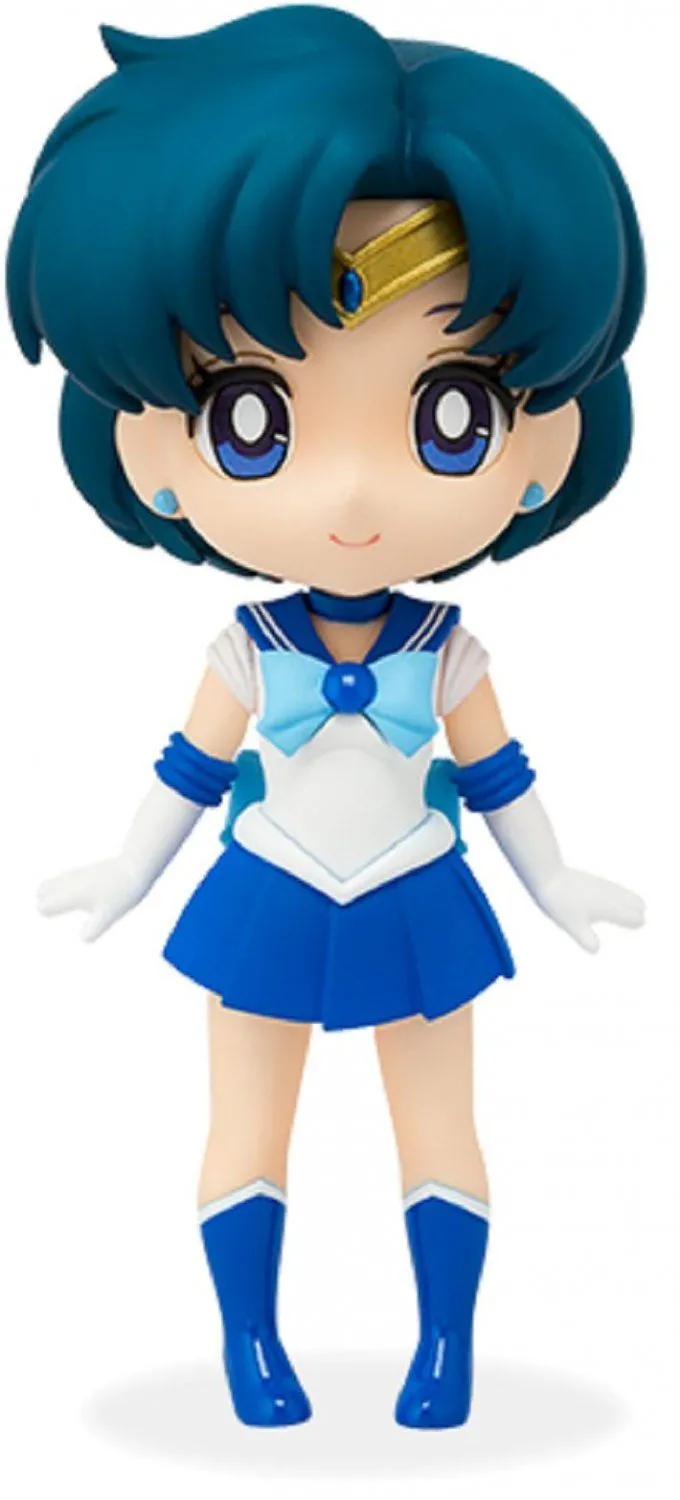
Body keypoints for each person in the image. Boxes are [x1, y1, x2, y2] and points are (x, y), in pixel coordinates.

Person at [7, 6, 645, 1429]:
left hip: (419, 893)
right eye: (252, 417)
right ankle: (251, 1344)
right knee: (249, 1121)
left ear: (540, 445)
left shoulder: (447, 650)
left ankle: (444, 1347)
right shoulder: (243, 648)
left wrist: (554, 881)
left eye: (450, 416)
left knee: (439, 1122)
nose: (353, 495)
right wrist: (125, 870)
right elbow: (188, 768)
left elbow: (500, 775)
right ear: (149, 445)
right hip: (268, 890)